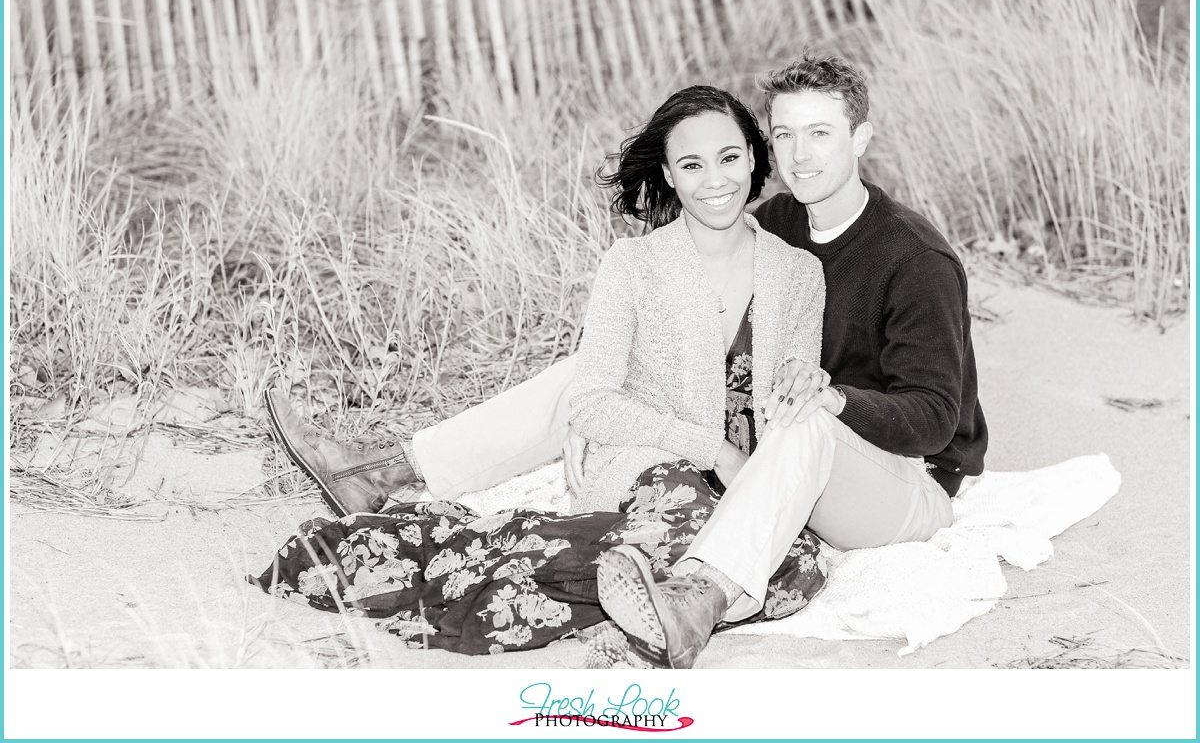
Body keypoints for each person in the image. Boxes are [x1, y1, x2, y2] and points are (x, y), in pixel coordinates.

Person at [268, 52, 987, 668]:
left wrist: (835, 401)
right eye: (787, 135)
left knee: (805, 423)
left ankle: (697, 600)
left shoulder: (913, 259)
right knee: (584, 379)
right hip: (779, 438)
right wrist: (591, 415)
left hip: (897, 479)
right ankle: (383, 471)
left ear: (862, 136)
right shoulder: (783, 220)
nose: (801, 156)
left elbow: (932, 421)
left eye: (822, 134)